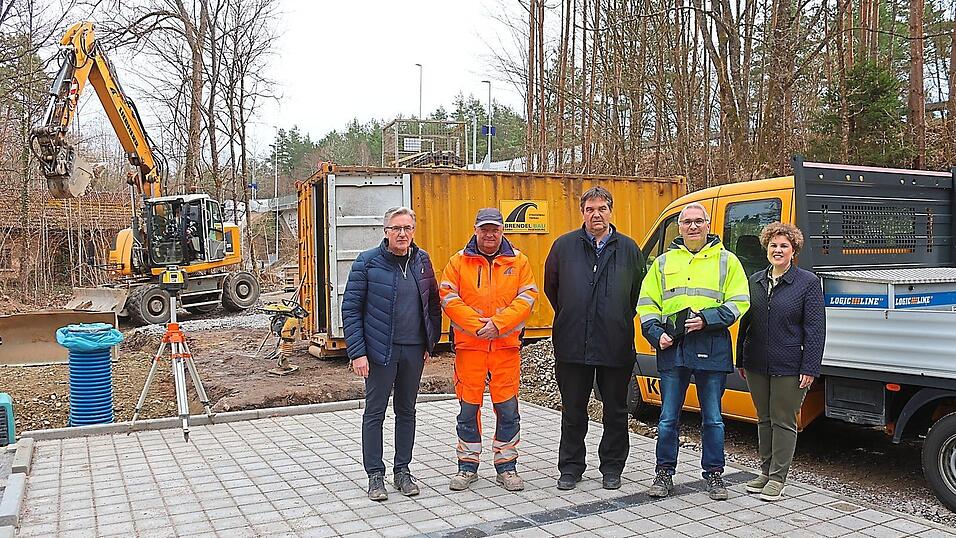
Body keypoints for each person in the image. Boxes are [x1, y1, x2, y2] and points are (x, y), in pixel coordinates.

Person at [637, 202, 750, 501]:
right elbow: (646, 305)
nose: (693, 227)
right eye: (687, 222)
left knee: (712, 417)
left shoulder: (728, 261)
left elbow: (740, 301)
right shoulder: (662, 263)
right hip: (673, 348)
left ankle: (714, 475)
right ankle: (663, 474)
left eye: (698, 221)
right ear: (680, 227)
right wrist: (655, 333)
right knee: (667, 418)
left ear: (708, 225)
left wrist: (708, 319)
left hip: (711, 347)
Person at [544, 186, 645, 491]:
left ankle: (612, 467)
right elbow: (553, 290)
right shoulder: (563, 247)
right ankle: (571, 467)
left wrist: (614, 318)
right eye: (590, 209)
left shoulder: (628, 249)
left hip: (614, 343)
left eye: (601, 208)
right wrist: (573, 315)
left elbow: (636, 294)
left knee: (615, 410)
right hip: (572, 343)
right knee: (573, 409)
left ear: (611, 211)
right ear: (582, 213)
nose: (596, 214)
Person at [341, 206, 441, 502]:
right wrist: (357, 353)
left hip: (413, 350)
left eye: (407, 228)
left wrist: (429, 343)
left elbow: (432, 304)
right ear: (385, 232)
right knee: (375, 413)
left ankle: (402, 471)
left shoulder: (422, 261)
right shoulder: (368, 262)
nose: (402, 234)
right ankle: (375, 475)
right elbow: (350, 309)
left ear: (413, 231)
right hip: (379, 352)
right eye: (396, 228)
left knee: (407, 411)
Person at [440, 208, 538, 492]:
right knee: (468, 410)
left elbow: (527, 298)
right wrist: (478, 326)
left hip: (506, 349)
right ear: (475, 229)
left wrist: (498, 324)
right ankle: (467, 466)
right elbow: (448, 297)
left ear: (502, 230)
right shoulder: (458, 262)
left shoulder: (519, 262)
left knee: (508, 411)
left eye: (495, 229)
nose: (490, 234)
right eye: (484, 229)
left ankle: (506, 467)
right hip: (470, 349)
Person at [736, 222, 825, 501]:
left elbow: (815, 329)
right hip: (756, 363)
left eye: (784, 245)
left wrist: (810, 367)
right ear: (766, 248)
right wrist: (740, 358)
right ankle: (764, 471)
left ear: (793, 250)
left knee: (783, 421)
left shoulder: (807, 283)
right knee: (763, 419)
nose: (778, 250)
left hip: (790, 365)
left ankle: (778, 477)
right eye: (773, 245)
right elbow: (745, 323)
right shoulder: (755, 281)